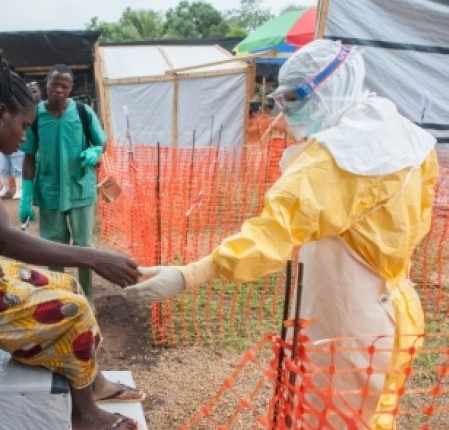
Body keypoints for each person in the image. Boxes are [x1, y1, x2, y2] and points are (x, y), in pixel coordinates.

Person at [124, 39, 437, 429]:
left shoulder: (335, 158)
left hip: (346, 316)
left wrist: (191, 273)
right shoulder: (409, 138)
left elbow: (272, 234)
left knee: (334, 414)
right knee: (373, 412)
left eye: (292, 99)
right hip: (393, 305)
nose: (285, 112)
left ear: (325, 90)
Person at [0, 52, 142, 430]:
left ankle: (91, 382)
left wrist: (85, 259)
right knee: (74, 310)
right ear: (1, 113)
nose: (22, 137)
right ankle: (83, 416)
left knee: (67, 285)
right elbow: (2, 240)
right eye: (23, 124)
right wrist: (94, 257)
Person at [20, 65, 107, 299]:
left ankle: (86, 299)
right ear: (46, 83)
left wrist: (95, 152)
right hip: (49, 191)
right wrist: (26, 195)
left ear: (70, 88)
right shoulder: (34, 115)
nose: (58, 89)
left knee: (83, 246)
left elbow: (102, 142)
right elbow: (28, 155)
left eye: (64, 85)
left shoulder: (82, 112)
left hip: (80, 189)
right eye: (54, 84)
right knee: (52, 247)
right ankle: (59, 297)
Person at [0, 82, 41, 199]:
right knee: (4, 167)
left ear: (41, 92)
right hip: (17, 141)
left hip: (35, 145)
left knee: (19, 167)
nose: (32, 94)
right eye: (29, 92)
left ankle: (22, 190)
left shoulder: (45, 110)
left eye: (35, 91)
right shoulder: (19, 108)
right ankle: (7, 188)